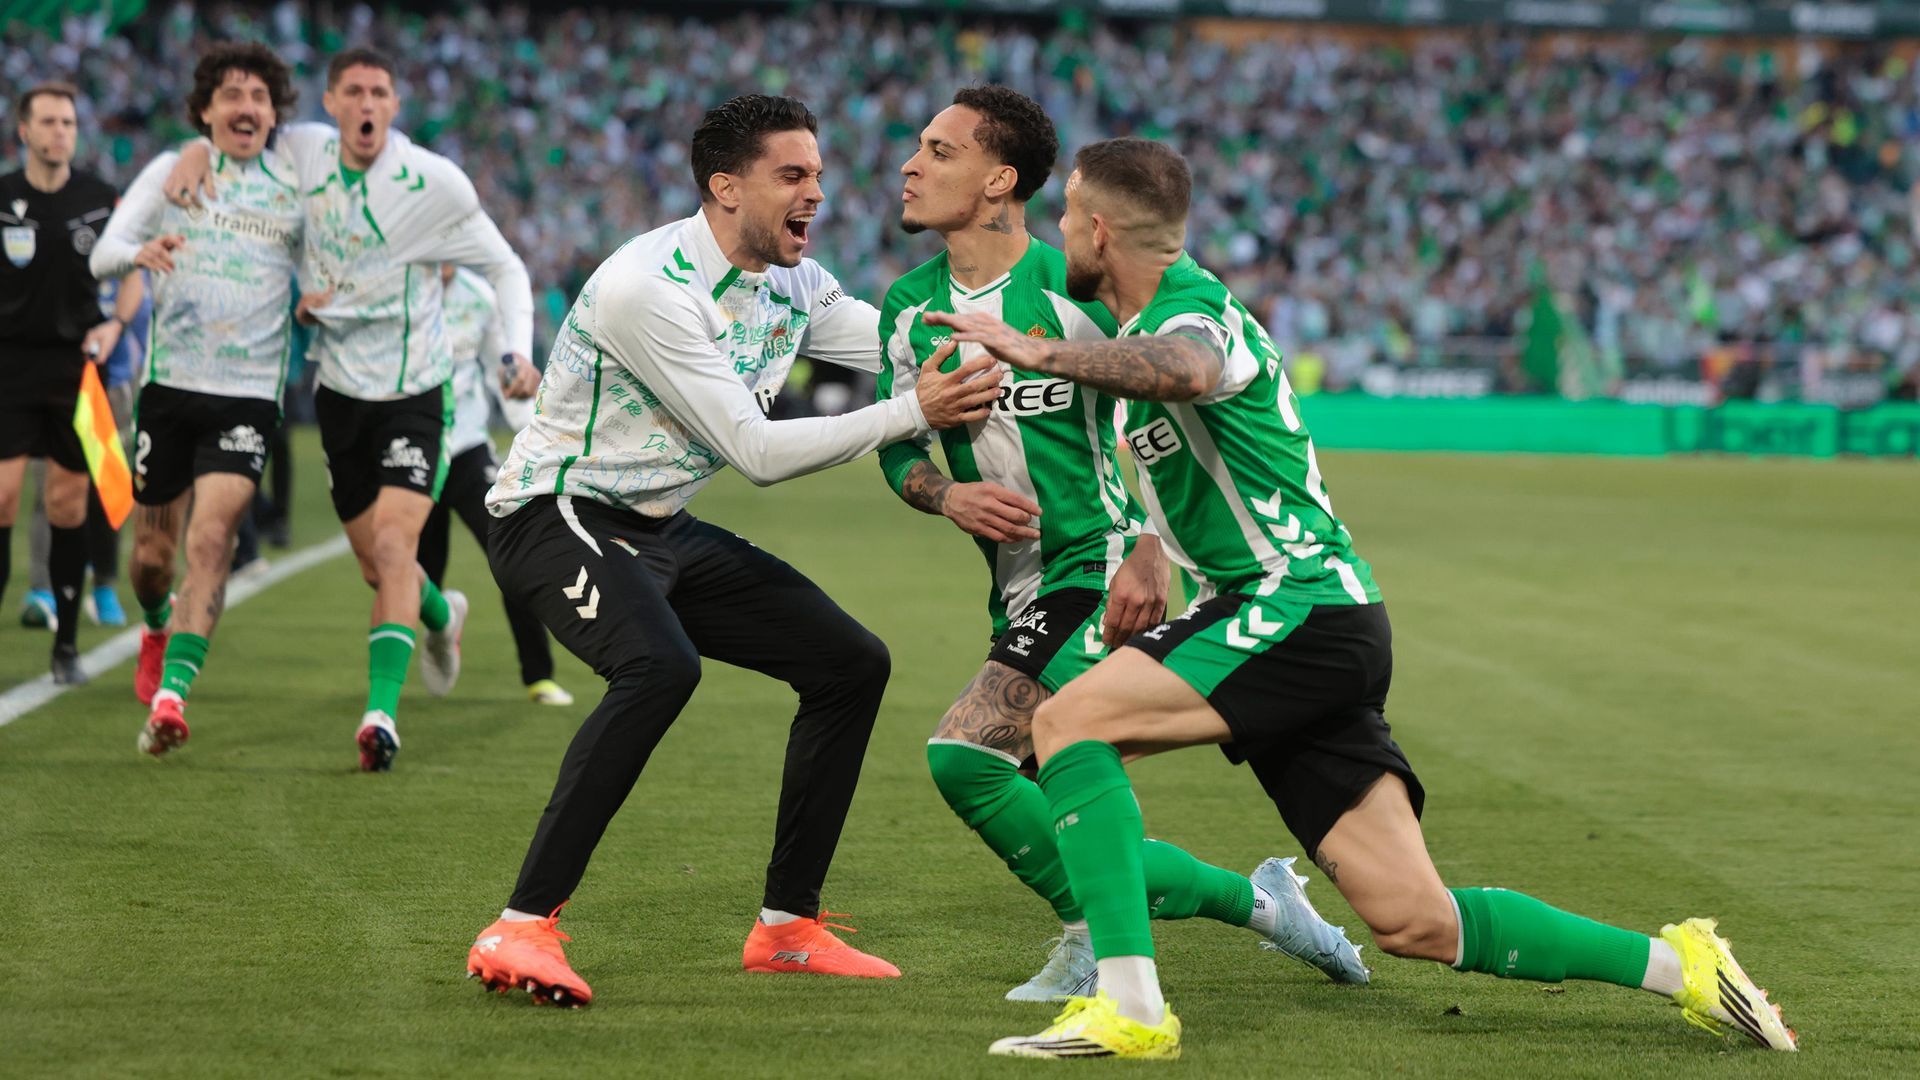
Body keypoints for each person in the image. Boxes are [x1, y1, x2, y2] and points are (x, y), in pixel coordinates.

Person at [927, 138, 1797, 1060]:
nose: (1060, 233)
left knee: (1070, 725)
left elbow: (1189, 369)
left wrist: (1035, 349)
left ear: (1099, 228)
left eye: (1066, 215)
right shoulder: (1148, 327)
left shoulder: (1194, 313)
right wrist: (1150, 547)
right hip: (1319, 623)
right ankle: (1684, 965)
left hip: (1295, 605)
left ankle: (1131, 1005)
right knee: (1417, 921)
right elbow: (1211, 449)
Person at [465, 94, 1001, 1007]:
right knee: (659, 668)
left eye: (819, 176)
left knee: (849, 663)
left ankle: (789, 929)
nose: (816, 194)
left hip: (658, 523)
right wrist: (916, 413)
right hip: (558, 515)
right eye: (793, 176)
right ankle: (521, 926)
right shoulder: (651, 288)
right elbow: (753, 450)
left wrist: (1007, 337)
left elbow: (892, 342)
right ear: (724, 187)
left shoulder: (793, 279)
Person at [877, 86, 1364, 1003]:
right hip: (1015, 584)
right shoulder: (907, 308)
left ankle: (1098, 947)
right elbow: (899, 444)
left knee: (966, 759)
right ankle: (1260, 905)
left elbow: (1173, 423)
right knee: (1065, 800)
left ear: (999, 181)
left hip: (1090, 566)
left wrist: (1150, 546)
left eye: (938, 151)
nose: (910, 164)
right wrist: (944, 494)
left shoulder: (1079, 295)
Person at [167, 47, 539, 771]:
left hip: (415, 394)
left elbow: (506, 266)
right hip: (338, 394)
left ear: (394, 106)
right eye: (354, 92)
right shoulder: (300, 153)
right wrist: (189, 150)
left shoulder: (432, 182)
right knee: (379, 571)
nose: (367, 104)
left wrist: (513, 352)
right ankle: (440, 614)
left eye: (380, 92)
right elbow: (234, 136)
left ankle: (380, 718)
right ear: (330, 103)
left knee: (398, 550)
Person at [90, 42, 306, 754]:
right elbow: (104, 252)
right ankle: (155, 626)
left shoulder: (296, 186)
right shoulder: (170, 170)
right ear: (206, 108)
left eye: (259, 97)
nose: (246, 106)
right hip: (170, 388)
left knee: (211, 539)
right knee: (151, 557)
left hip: (247, 396)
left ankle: (174, 699)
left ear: (274, 113)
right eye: (232, 94)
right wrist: (138, 255)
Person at [1, 81, 142, 683]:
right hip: (8, 366)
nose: (61, 131)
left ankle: (66, 646)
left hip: (76, 369)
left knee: (68, 503)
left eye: (69, 122)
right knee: (3, 498)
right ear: (24, 132)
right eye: (50, 122)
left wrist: (116, 324)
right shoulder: (3, 196)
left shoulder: (101, 199)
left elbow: (133, 271)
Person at [418, 263, 572, 706]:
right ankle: (442, 624)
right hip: (417, 450)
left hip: (467, 449)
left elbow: (500, 371)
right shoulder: (399, 288)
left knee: (513, 555)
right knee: (412, 575)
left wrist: (532, 437)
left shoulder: (479, 297)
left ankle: (538, 677)